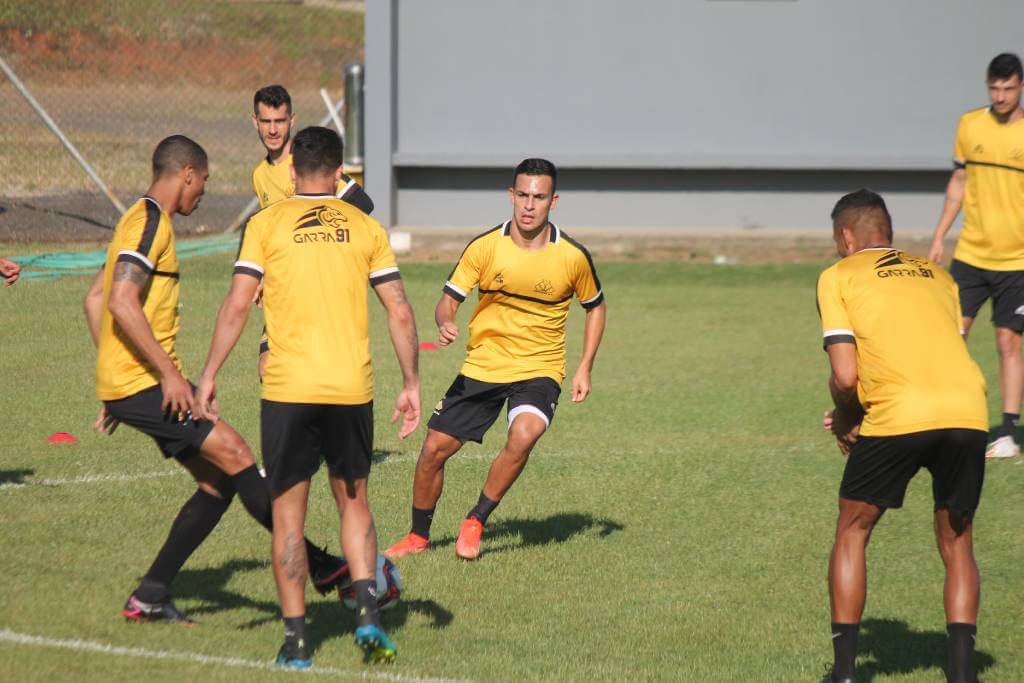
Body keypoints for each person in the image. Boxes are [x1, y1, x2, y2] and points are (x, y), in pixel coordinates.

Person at [82, 135, 346, 627]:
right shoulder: (151, 224)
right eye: (202, 180)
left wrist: (112, 380)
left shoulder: (134, 219)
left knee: (217, 482)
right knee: (238, 457)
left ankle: (151, 594)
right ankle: (325, 568)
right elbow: (118, 301)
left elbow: (94, 299)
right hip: (146, 384)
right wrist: (159, 377)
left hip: (132, 384)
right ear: (186, 173)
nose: (203, 190)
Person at [195, 126, 420, 667]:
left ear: (292, 170)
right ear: (342, 173)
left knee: (289, 516)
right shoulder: (367, 228)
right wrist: (411, 383)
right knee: (354, 503)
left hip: (288, 389)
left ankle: (296, 642)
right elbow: (400, 311)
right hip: (350, 388)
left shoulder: (265, 224)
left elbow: (237, 304)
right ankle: (367, 615)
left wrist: (208, 374)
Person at [385, 158, 606, 562]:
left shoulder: (572, 256)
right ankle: (418, 536)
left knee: (524, 434)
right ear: (511, 195)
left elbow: (595, 306)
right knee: (434, 449)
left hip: (539, 368)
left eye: (539, 197)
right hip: (483, 365)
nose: (529, 205)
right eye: (522, 195)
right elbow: (447, 301)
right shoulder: (485, 246)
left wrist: (584, 366)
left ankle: (476, 520)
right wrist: (446, 320)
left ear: (553, 202)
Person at [819, 190, 987, 683]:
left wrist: (847, 413)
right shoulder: (939, 274)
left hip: (899, 413)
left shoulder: (839, 275)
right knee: (958, 542)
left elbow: (846, 375)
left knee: (853, 528)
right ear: (886, 231)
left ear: (846, 236)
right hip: (967, 409)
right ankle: (961, 675)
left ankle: (846, 672)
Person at [927, 52, 1024, 459]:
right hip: (970, 256)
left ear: (1020, 87)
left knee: (1008, 343)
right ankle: (946, 420)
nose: (1000, 96)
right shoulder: (970, 124)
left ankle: (1007, 432)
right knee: (950, 337)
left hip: (1017, 261)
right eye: (994, 89)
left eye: (1008, 88)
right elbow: (958, 182)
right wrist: (938, 237)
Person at [251, 84, 375, 379]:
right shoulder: (259, 175)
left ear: (291, 120)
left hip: (321, 288)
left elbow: (362, 204)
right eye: (266, 121)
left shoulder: (309, 162)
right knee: (268, 369)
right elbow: (270, 232)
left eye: (279, 121)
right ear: (254, 121)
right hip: (283, 293)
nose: (272, 130)